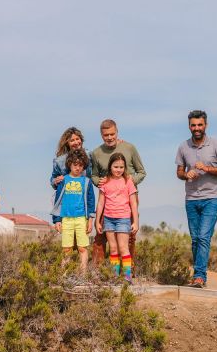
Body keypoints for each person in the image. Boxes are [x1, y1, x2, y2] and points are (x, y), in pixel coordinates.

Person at [175, 110, 217, 288]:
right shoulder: (183, 147)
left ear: (205, 125)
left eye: (200, 125)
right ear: (189, 126)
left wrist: (207, 169)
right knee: (195, 239)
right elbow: (178, 172)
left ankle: (199, 277)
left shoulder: (216, 145)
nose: (196, 128)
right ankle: (198, 276)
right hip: (191, 199)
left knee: (203, 237)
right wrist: (186, 175)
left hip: (211, 198)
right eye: (193, 125)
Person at [89, 119, 147, 263]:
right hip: (107, 199)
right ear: (101, 135)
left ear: (117, 132)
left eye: (112, 134)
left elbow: (141, 172)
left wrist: (128, 182)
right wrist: (98, 181)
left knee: (130, 235)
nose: (109, 137)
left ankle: (128, 271)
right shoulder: (96, 153)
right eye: (105, 135)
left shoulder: (129, 148)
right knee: (100, 235)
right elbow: (94, 175)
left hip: (128, 199)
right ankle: (100, 271)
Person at [95, 152, 139, 281]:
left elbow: (133, 203)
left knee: (123, 248)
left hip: (123, 219)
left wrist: (135, 222)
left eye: (121, 167)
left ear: (125, 168)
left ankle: (127, 278)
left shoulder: (128, 182)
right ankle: (114, 277)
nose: (118, 170)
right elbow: (101, 203)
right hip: (108, 219)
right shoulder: (105, 182)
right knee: (113, 249)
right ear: (110, 167)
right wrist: (98, 221)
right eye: (116, 167)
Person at [51, 150, 96, 273]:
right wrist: (57, 220)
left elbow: (91, 202)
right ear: (69, 164)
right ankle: (64, 274)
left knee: (82, 247)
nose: (78, 167)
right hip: (66, 219)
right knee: (67, 248)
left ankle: (83, 274)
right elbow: (58, 202)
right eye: (75, 164)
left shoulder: (87, 182)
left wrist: (90, 220)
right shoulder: (63, 180)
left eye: (81, 165)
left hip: (82, 218)